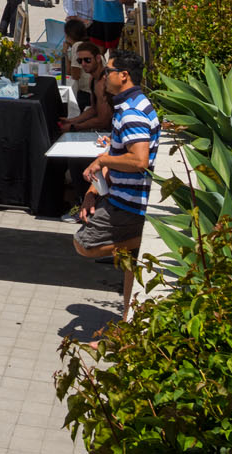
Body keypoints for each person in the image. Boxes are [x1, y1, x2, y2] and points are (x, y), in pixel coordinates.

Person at [73, 51, 160, 305]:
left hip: (128, 204)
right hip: (122, 197)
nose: (105, 75)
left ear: (124, 76)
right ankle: (125, 324)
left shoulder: (132, 112)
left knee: (84, 243)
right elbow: (119, 150)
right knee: (130, 266)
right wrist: (92, 191)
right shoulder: (131, 105)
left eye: (109, 71)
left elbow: (138, 160)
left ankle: (147, 239)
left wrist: (102, 160)